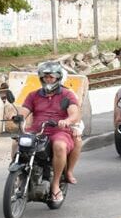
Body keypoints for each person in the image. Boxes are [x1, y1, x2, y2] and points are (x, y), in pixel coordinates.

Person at [17, 61, 81, 203]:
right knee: (17, 141)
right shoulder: (33, 95)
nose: (48, 80)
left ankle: (55, 184)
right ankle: (18, 173)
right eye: (45, 77)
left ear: (58, 78)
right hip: (37, 130)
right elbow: (24, 111)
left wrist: (68, 121)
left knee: (59, 145)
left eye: (51, 77)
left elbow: (74, 113)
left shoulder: (67, 94)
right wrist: (17, 117)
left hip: (59, 130)